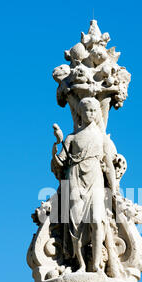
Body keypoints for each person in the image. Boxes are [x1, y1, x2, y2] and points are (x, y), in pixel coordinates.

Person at [52, 97, 116, 272]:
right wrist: (57, 143)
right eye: (88, 110)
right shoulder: (71, 138)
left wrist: (114, 187)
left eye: (94, 110)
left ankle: (96, 265)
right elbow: (59, 162)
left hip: (95, 177)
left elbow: (108, 163)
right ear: (80, 112)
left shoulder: (102, 139)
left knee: (97, 220)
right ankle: (80, 265)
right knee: (76, 224)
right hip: (75, 177)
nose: (91, 113)